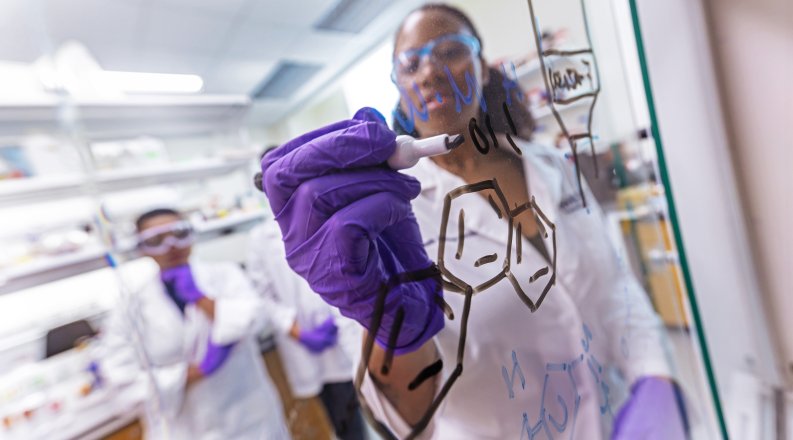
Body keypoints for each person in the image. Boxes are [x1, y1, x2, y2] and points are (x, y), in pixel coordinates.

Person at [257, 3, 689, 440]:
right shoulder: (386, 215)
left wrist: (654, 378)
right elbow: (410, 419)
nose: (429, 72)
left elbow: (615, 287)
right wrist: (389, 327)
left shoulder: (550, 165)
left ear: (482, 68)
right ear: (399, 85)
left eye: (449, 51)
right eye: (411, 63)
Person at [100, 208, 290, 439]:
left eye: (179, 234)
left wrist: (201, 299)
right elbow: (121, 384)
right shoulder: (130, 306)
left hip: (249, 419)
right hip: (185, 429)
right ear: (142, 249)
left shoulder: (225, 275)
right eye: (156, 240)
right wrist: (190, 374)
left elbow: (257, 318)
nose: (171, 246)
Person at [246, 217, 367, 440]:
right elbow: (261, 293)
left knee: (370, 409)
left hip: (341, 332)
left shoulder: (329, 220)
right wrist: (296, 331)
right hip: (301, 344)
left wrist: (340, 314)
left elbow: (351, 270)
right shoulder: (261, 237)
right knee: (338, 417)